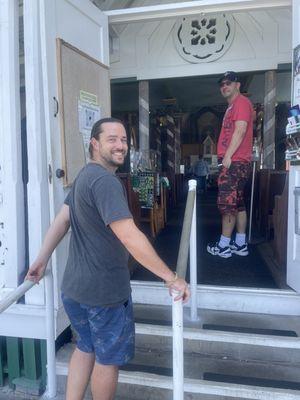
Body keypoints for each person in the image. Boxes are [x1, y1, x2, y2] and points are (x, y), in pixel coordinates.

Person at [25, 117, 190, 400]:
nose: (121, 145)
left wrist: (41, 259)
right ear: (94, 144)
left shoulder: (84, 177)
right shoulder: (105, 182)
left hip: (74, 291)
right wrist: (171, 277)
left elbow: (61, 221)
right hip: (104, 295)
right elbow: (129, 236)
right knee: (107, 360)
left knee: (85, 347)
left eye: (124, 139)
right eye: (112, 139)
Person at [207, 71, 253, 258]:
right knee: (238, 204)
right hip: (238, 161)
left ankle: (224, 246)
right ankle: (240, 244)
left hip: (234, 162)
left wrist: (227, 157)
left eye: (228, 83)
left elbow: (240, 130)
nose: (224, 86)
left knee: (227, 203)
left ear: (237, 85)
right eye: (222, 84)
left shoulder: (241, 103)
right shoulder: (233, 106)